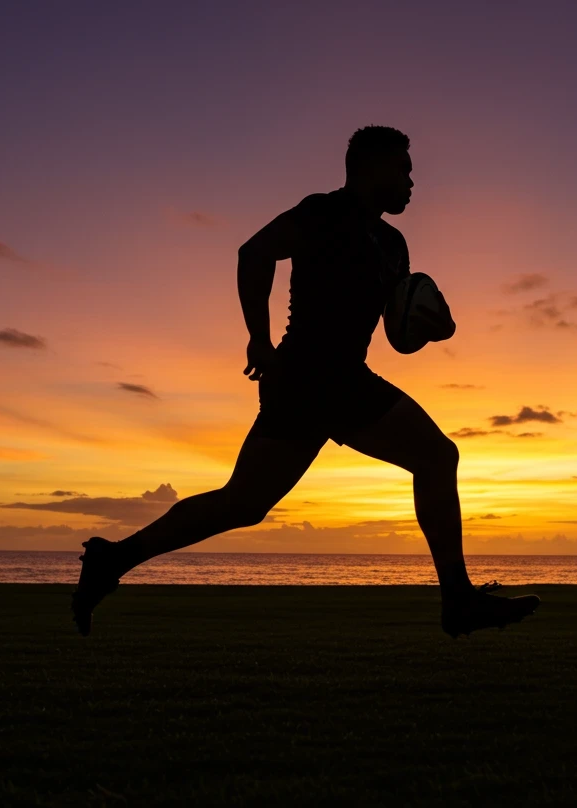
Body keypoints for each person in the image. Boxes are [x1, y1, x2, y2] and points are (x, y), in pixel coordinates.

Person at [71, 125, 541, 638]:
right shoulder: (322, 212)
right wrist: (259, 340)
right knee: (435, 456)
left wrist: (435, 324)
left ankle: (111, 560)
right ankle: (458, 600)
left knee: (243, 503)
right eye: (403, 169)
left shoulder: (393, 244)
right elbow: (253, 253)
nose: (412, 180)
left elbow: (398, 333)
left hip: (335, 377)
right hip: (310, 372)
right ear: (369, 168)